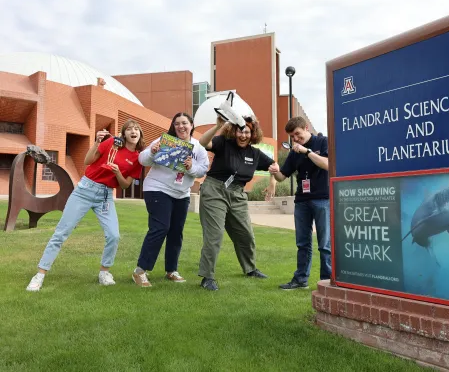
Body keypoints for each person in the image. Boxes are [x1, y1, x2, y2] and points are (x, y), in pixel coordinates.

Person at [26, 120, 145, 292]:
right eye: (129, 129)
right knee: (61, 232)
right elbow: (88, 161)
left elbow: (125, 185)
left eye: (137, 129)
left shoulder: (137, 158)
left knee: (114, 235)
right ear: (124, 133)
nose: (133, 131)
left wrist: (117, 172)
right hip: (85, 190)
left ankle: (104, 272)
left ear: (140, 134)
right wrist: (97, 142)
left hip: (105, 196)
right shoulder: (111, 143)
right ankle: (39, 275)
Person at [197, 116, 276, 291]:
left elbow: (274, 166)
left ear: (252, 133)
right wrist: (217, 125)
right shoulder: (223, 143)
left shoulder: (254, 153)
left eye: (247, 131)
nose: (243, 135)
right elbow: (203, 143)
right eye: (240, 130)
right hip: (214, 191)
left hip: (238, 194)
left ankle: (250, 269)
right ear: (234, 131)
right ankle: (207, 277)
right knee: (214, 235)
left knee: (246, 234)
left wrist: (272, 182)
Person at [132, 112, 209, 287]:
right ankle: (140, 271)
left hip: (181, 193)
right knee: (160, 228)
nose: (181, 127)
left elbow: (203, 170)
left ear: (191, 125)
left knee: (176, 232)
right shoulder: (164, 141)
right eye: (177, 124)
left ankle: (171, 270)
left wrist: (191, 167)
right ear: (173, 126)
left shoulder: (198, 148)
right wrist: (152, 152)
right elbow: (142, 159)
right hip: (158, 188)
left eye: (184, 123)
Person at [267, 117, 331, 290]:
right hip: (302, 200)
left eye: (297, 134)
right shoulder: (294, 152)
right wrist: (274, 172)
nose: (295, 139)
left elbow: (328, 164)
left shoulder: (322, 141)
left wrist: (307, 151)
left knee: (325, 244)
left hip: (322, 199)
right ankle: (300, 279)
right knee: (302, 243)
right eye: (292, 136)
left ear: (306, 128)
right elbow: (283, 176)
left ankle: (327, 282)